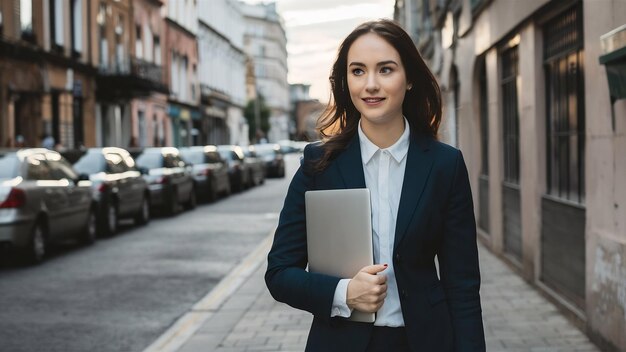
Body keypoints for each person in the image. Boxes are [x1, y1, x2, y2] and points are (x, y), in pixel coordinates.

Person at [265, 19, 485, 352]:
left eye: (385, 70)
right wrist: (344, 293)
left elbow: (463, 286)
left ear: (409, 78)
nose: (370, 84)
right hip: (341, 342)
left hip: (425, 340)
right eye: (357, 71)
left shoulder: (444, 165)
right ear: (345, 81)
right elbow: (280, 273)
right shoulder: (318, 165)